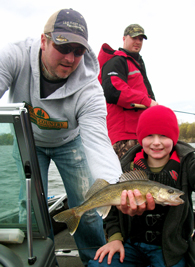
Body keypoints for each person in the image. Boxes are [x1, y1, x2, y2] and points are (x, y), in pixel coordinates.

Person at [0, 8, 124, 266]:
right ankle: (41, 262)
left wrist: (117, 189)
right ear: (43, 41)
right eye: (63, 46)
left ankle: (95, 261)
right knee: (30, 210)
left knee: (88, 210)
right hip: (28, 141)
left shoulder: (90, 91)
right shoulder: (14, 56)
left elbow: (99, 145)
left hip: (71, 144)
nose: (70, 58)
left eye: (78, 51)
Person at [88, 105, 195, 267]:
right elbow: (111, 211)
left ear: (174, 138)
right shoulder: (126, 166)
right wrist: (115, 238)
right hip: (129, 244)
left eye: (163, 135)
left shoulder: (187, 165)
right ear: (140, 138)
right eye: (149, 136)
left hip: (169, 249)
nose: (156, 142)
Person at [98, 24, 158, 159]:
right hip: (123, 137)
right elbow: (112, 90)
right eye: (134, 38)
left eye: (141, 39)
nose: (138, 42)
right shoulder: (117, 61)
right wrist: (148, 102)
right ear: (124, 38)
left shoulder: (137, 63)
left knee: (139, 178)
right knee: (124, 177)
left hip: (139, 133)